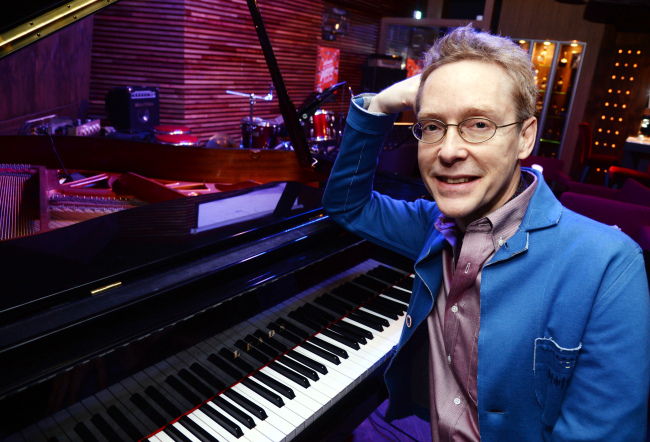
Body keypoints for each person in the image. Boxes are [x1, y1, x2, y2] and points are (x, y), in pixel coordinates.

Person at [322, 25, 649, 440]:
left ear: (525, 136)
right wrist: (383, 104)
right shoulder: (432, 225)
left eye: (479, 124)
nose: (449, 150)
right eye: (433, 125)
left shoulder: (608, 265)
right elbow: (347, 204)